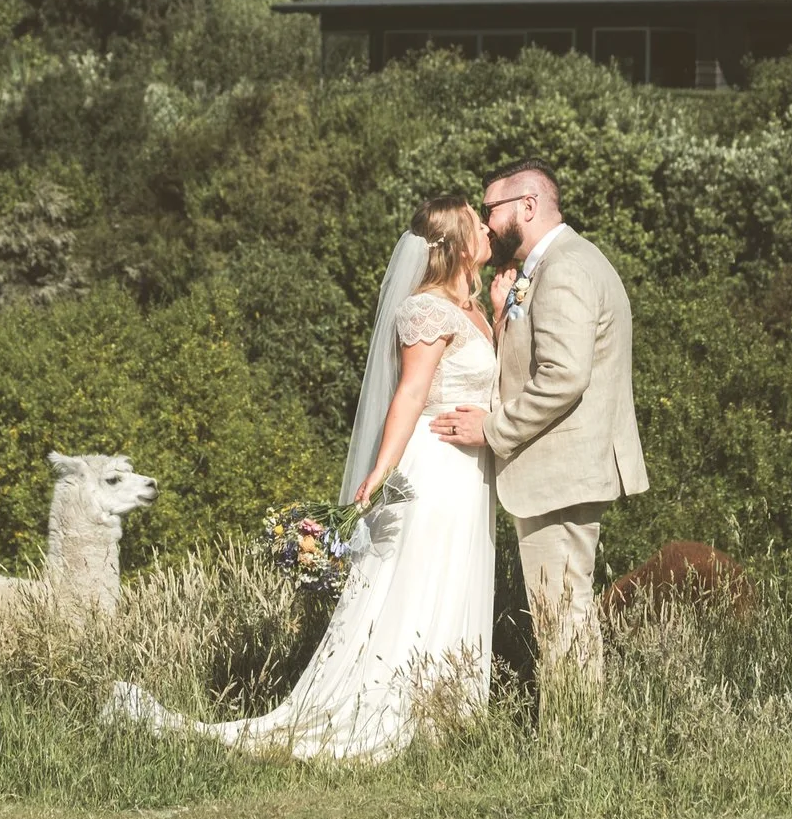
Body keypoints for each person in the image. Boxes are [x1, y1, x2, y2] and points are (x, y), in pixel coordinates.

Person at [101, 194, 498, 760]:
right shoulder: (426, 311)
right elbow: (410, 394)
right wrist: (379, 474)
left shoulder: (477, 309)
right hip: (432, 469)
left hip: (469, 477)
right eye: (478, 224)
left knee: (455, 579)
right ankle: (391, 712)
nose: (488, 230)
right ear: (457, 244)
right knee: (418, 584)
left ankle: (447, 718)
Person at [430, 157, 646, 689]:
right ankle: (576, 736)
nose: (485, 222)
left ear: (527, 206)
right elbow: (535, 359)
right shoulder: (549, 265)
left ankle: (573, 743)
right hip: (561, 467)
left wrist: (493, 429)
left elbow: (563, 376)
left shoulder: (566, 267)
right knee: (563, 610)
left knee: (562, 616)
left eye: (490, 209)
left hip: (561, 468)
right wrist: (504, 316)